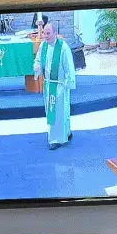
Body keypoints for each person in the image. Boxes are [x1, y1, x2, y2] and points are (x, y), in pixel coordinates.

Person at [33, 22, 78, 150]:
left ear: (55, 33)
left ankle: (55, 139)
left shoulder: (63, 48)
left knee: (59, 113)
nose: (45, 36)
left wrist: (68, 84)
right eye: (44, 33)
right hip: (48, 85)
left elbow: (69, 67)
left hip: (59, 86)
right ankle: (66, 133)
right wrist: (36, 66)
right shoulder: (43, 46)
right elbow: (38, 60)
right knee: (53, 112)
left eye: (48, 33)